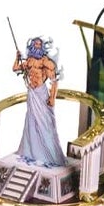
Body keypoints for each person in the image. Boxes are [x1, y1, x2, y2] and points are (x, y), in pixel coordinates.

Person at [12, 36, 65, 167]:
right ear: (32, 46)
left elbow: (54, 80)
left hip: (41, 93)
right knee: (31, 121)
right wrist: (17, 57)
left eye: (38, 44)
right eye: (35, 44)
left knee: (45, 122)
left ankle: (50, 155)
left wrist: (52, 98)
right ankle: (31, 152)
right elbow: (15, 68)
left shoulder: (45, 62)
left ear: (42, 47)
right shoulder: (29, 61)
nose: (36, 46)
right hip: (32, 93)